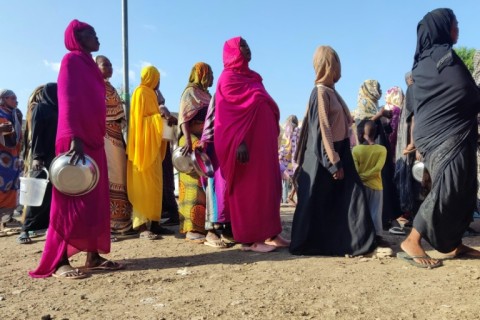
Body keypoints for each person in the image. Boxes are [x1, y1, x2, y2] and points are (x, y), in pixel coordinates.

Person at [30, 19, 123, 279]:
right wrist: (75, 137)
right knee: (69, 203)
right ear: (78, 38)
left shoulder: (89, 67)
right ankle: (59, 260)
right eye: (92, 34)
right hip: (75, 140)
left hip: (92, 138)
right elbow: (68, 100)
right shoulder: (70, 62)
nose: (98, 38)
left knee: (95, 201)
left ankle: (93, 256)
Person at [398, 8, 480, 268]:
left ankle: (453, 243)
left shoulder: (443, 58)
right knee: (447, 187)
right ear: (442, 28)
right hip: (440, 134)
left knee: (466, 189)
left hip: (458, 130)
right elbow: (456, 91)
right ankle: (412, 239)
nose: (458, 28)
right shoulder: (432, 62)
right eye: (455, 24)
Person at [289, 45, 376, 256]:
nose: (339, 68)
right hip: (326, 157)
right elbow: (323, 129)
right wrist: (333, 162)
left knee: (347, 199)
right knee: (320, 202)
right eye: (336, 63)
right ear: (329, 66)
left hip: (339, 151)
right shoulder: (319, 92)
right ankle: (321, 244)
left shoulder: (331, 92)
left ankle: (357, 242)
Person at [215, 37, 289, 252]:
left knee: (269, 187)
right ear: (233, 52)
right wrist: (239, 142)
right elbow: (226, 117)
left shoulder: (253, 77)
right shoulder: (227, 79)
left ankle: (271, 233)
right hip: (245, 148)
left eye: (247, 45)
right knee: (249, 190)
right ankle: (249, 239)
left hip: (263, 146)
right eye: (243, 46)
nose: (248, 49)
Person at [177, 62, 217, 244]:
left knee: (204, 187)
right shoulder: (190, 92)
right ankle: (191, 228)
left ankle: (202, 226)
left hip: (203, 141)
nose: (213, 78)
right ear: (201, 74)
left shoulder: (206, 94)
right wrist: (187, 140)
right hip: (190, 140)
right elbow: (184, 118)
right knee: (193, 185)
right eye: (210, 74)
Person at [127, 65, 168, 240]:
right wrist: (159, 117)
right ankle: (142, 226)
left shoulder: (153, 94)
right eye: (157, 78)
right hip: (142, 148)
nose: (159, 81)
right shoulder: (140, 92)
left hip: (154, 148)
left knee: (155, 186)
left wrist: (162, 114)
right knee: (142, 187)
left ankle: (155, 223)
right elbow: (139, 123)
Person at [354, 80, 402, 230]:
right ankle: (380, 220)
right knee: (377, 182)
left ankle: (388, 218)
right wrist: (378, 115)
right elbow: (361, 128)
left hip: (380, 148)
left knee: (386, 181)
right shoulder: (363, 105)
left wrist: (383, 118)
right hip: (370, 151)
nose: (378, 90)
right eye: (376, 87)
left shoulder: (373, 106)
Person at [95, 55, 134, 239]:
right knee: (109, 177)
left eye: (111, 64)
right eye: (105, 65)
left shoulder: (110, 87)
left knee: (120, 176)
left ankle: (122, 221)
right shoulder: (94, 86)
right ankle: (110, 224)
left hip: (117, 137)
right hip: (104, 138)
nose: (110, 68)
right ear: (96, 67)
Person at [17, 83, 58, 244]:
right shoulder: (40, 109)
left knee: (52, 195)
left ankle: (49, 227)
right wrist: (37, 157)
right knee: (36, 194)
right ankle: (25, 230)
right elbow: (36, 135)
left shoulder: (57, 109)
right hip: (41, 157)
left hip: (55, 156)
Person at [352, 120, 387, 238]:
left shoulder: (356, 150)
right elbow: (378, 169)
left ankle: (362, 236)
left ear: (362, 134)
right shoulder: (382, 150)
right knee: (375, 212)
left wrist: (361, 178)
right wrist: (367, 176)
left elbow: (355, 170)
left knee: (361, 212)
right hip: (377, 186)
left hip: (361, 186)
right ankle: (377, 236)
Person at [0, 89, 23, 235]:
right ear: (3, 99)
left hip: (13, 157)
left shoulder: (16, 114)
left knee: (13, 188)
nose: (16, 101)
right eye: (12, 98)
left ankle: (7, 220)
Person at [279, 115, 300, 205]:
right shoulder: (296, 130)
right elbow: (294, 145)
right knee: (297, 179)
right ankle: (294, 198)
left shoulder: (287, 132)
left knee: (295, 179)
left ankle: (291, 197)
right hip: (293, 159)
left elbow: (284, 145)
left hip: (288, 160)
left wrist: (280, 155)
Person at [382, 86, 404, 158]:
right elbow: (394, 129)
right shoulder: (396, 109)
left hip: (382, 142)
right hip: (392, 145)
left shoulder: (383, 108)